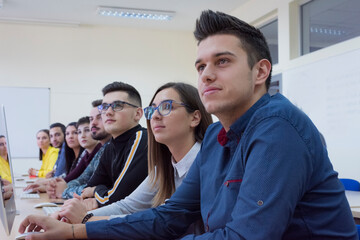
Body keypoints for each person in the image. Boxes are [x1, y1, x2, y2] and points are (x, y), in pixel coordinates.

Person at [18, 10, 357, 240]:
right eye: (200, 66)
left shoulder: (277, 127)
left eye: (222, 62)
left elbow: (245, 237)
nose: (206, 74)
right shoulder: (215, 137)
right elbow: (171, 215)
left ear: (261, 72)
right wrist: (76, 232)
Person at [53, 82, 212, 227]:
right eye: (153, 109)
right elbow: (127, 206)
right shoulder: (164, 165)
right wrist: (67, 217)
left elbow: (162, 220)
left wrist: (84, 218)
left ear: (195, 117)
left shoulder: (205, 161)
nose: (155, 116)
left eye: (166, 107)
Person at [73, 81, 148, 210]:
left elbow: (118, 198)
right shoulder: (109, 147)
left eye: (117, 106)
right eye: (104, 107)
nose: (107, 112)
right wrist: (97, 192)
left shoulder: (141, 139)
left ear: (138, 114)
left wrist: (96, 190)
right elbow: (85, 192)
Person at [47, 100, 111, 199]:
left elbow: (91, 188)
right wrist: (58, 186)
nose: (93, 123)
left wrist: (63, 190)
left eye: (100, 117)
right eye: (91, 119)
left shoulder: (106, 149)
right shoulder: (98, 151)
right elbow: (81, 179)